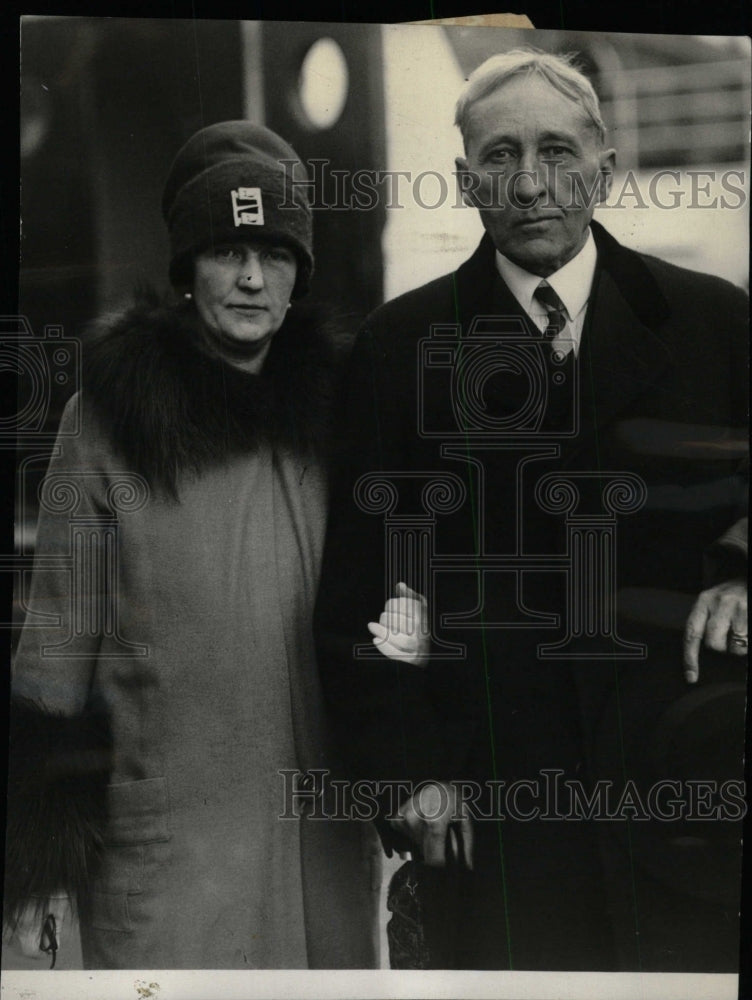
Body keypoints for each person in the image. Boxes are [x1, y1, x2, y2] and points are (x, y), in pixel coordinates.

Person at [314, 50, 747, 972]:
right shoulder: (398, 349)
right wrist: (409, 777)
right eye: (501, 155)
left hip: (691, 798)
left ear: (606, 167)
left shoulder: (716, 323)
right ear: (466, 178)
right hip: (500, 824)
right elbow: (358, 593)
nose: (530, 182)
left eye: (557, 151)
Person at [4, 121, 381, 970]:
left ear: (299, 274)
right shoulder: (106, 422)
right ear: (187, 268)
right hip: (170, 861)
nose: (251, 278)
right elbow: (55, 650)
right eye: (226, 252)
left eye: (275, 255)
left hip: (323, 854)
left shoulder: (345, 413)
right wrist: (38, 864)